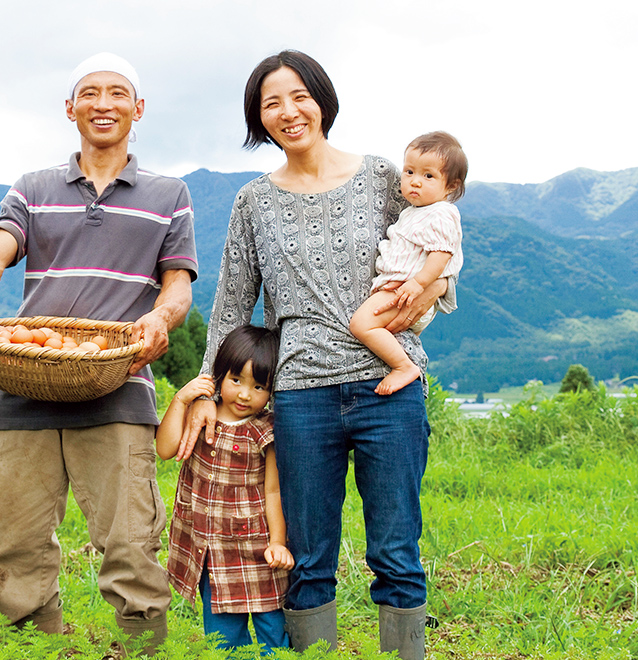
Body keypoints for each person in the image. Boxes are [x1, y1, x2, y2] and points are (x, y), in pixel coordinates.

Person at [180, 51, 456, 660]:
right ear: (259, 118)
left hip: (389, 385)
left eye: (299, 95)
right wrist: (205, 386)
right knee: (307, 556)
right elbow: (232, 306)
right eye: (271, 102)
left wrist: (435, 285)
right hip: (301, 396)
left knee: (396, 549)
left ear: (322, 99)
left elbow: (438, 243)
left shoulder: (386, 178)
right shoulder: (253, 202)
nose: (288, 111)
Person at [0, 52, 198, 655]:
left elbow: (177, 284)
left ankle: (142, 651)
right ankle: (34, 649)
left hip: (119, 389)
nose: (102, 104)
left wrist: (159, 318)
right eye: (89, 93)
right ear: (70, 108)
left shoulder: (168, 194)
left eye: (116, 94)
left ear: (137, 110)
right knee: (17, 544)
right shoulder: (33, 188)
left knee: (131, 545)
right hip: (22, 392)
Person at [156, 325, 294, 655]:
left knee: (273, 628)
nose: (245, 394)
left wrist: (278, 543)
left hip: (256, 550)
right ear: (219, 376)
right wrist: (182, 398)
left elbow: (273, 491)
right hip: (210, 550)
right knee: (223, 638)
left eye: (258, 386)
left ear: (271, 390)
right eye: (236, 381)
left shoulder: (265, 431)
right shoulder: (200, 416)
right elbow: (164, 448)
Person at [349, 131, 467, 395]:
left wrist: (418, 284)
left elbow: (442, 255)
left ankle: (404, 366)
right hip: (400, 289)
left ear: (451, 186)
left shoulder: (441, 213)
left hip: (405, 292)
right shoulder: (414, 212)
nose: (415, 182)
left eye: (428, 176)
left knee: (361, 324)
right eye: (409, 172)